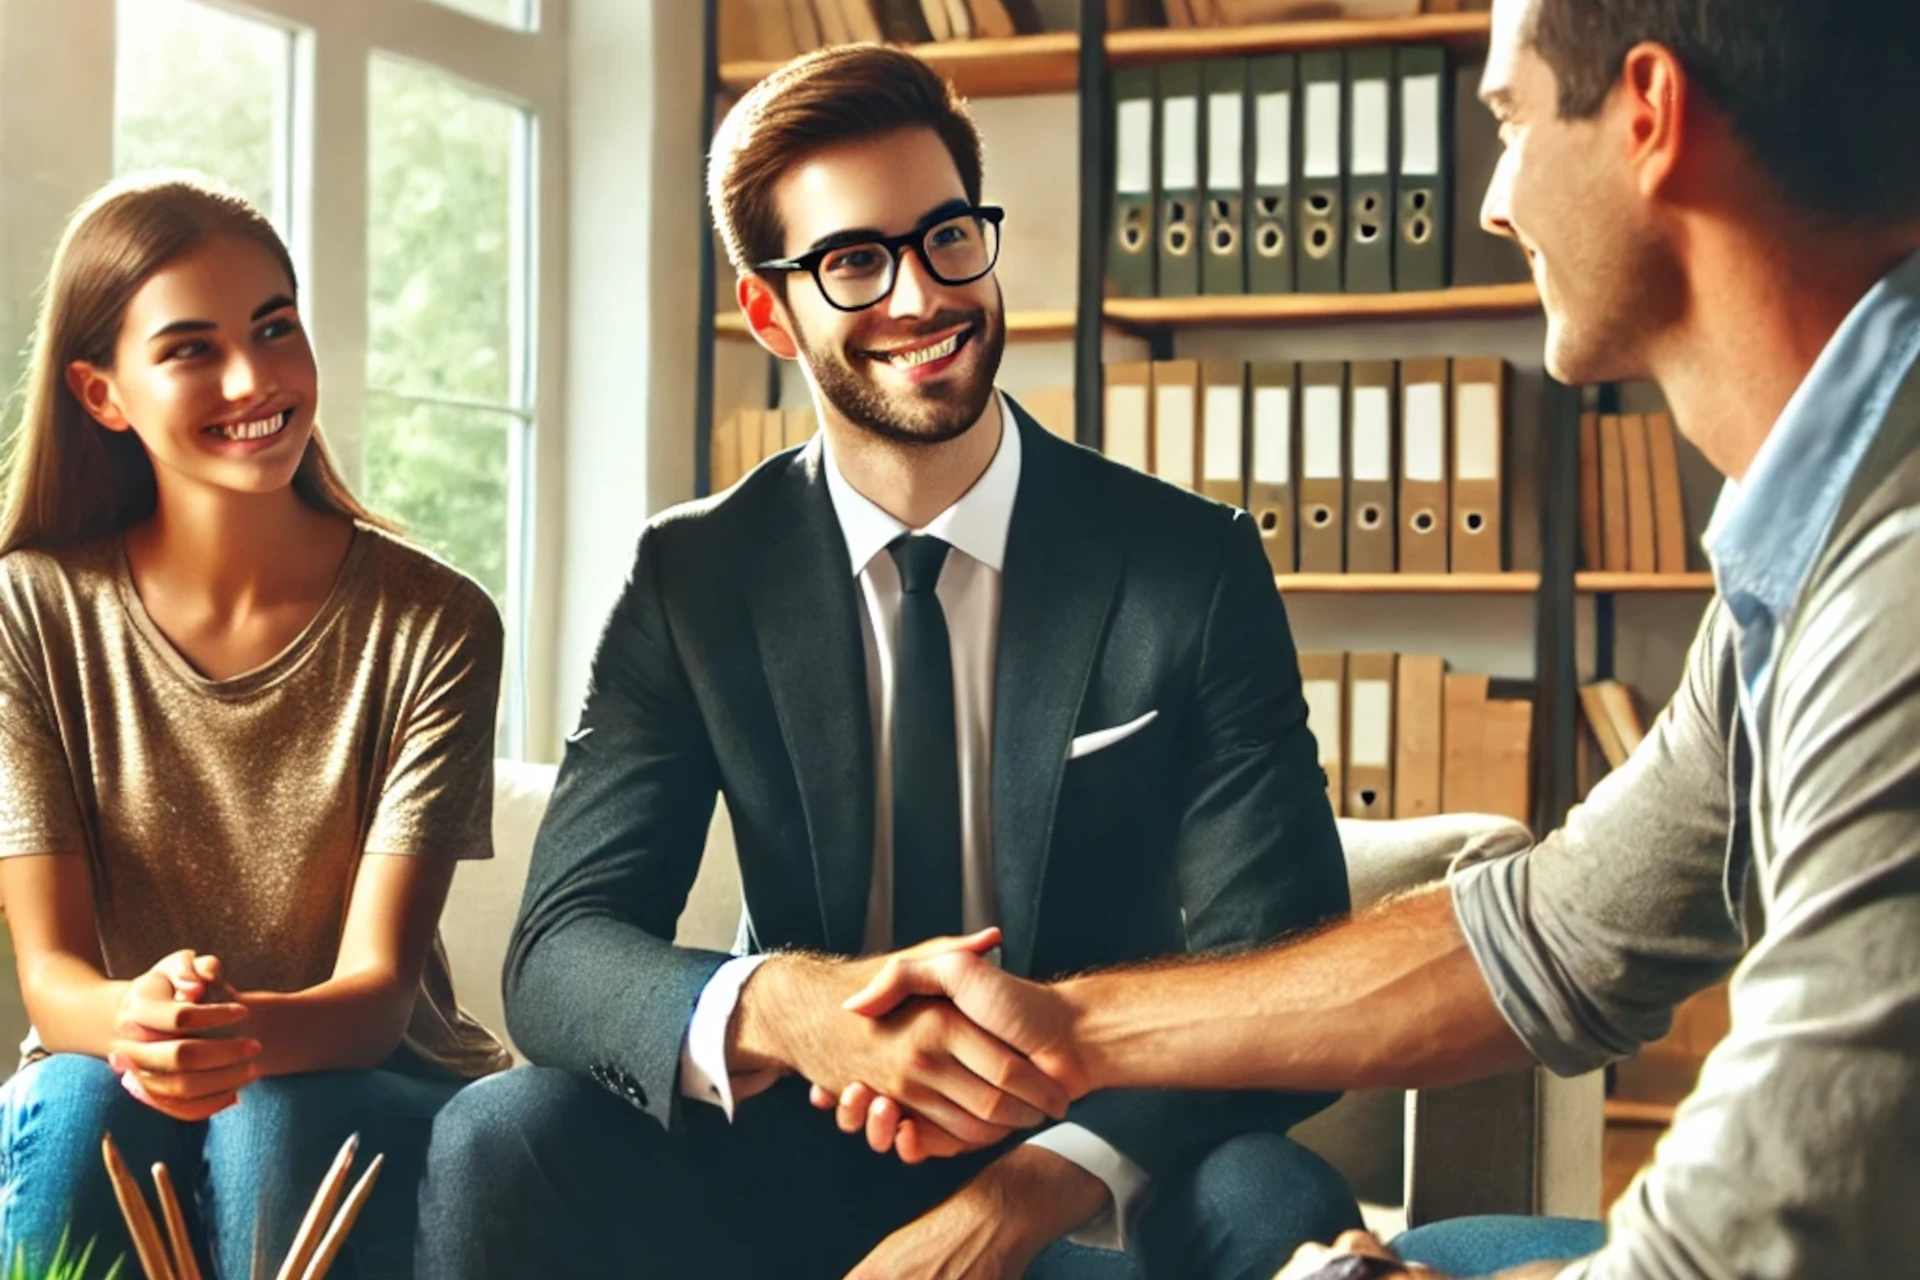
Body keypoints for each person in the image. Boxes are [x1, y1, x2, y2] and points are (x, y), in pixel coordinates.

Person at [820, 0, 1920, 1275]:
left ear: (1649, 115)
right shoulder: (1808, 547)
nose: (1496, 201)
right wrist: (1068, 1023)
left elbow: (1785, 1218)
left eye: (1507, 120)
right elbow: (1557, 937)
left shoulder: (1894, 588)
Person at [417, 43, 1359, 1280]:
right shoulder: (695, 576)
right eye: (856, 260)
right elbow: (560, 951)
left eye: (946, 236)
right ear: (769, 311)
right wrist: (804, 1014)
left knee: (1275, 1194)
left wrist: (1017, 1196)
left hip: (1094, 1155)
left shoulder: (1190, 564)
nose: (921, 297)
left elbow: (1281, 960)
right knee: (502, 1135)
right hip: (798, 1135)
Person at [0, 173, 511, 1279]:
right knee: (84, 1097)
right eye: (190, 348)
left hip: (366, 1078)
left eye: (275, 325)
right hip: (113, 1061)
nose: (254, 377)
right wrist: (144, 1020)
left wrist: (230, 1035)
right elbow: (52, 974)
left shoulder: (438, 623)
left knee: (272, 1111)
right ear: (103, 394)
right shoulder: (28, 610)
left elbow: (375, 997)